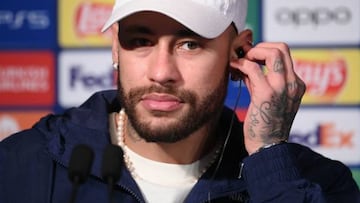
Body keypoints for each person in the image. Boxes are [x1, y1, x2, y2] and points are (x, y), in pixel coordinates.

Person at [0, 0, 359, 202]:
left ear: (240, 52)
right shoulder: (21, 165)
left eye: (190, 44)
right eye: (140, 41)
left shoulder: (319, 184)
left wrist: (268, 156)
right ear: (115, 48)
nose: (161, 72)